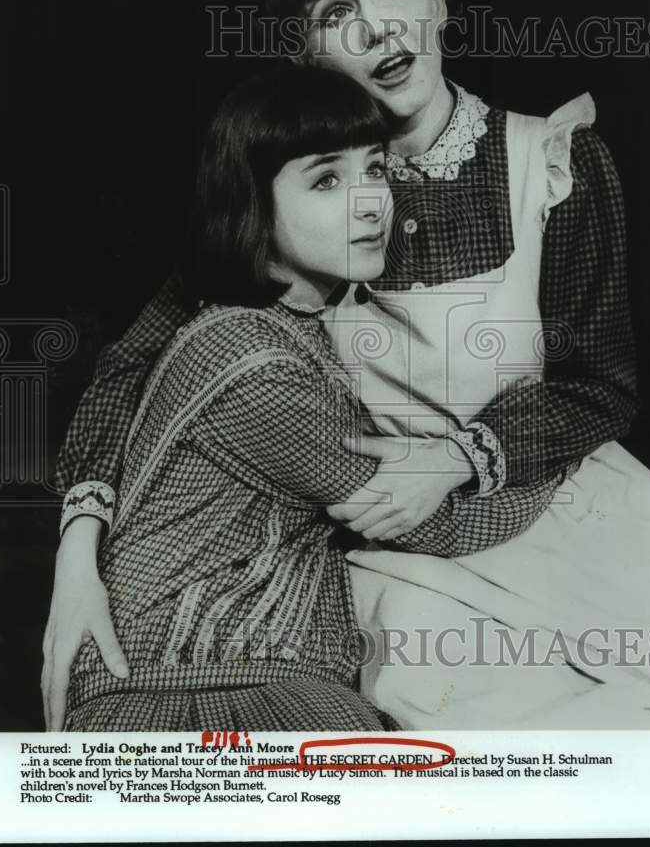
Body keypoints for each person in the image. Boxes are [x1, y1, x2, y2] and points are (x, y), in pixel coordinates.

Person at [44, 0, 650, 731]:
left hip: (550, 499)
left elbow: (602, 385)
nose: (378, 28)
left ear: (439, 2)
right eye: (338, 12)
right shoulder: (287, 202)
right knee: (483, 727)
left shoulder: (550, 159)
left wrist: (457, 456)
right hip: (398, 551)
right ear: (307, 53)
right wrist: (79, 556)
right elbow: (135, 367)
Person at [59, 65, 560, 732]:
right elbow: (433, 523)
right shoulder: (248, 359)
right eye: (326, 179)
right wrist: (558, 445)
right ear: (251, 206)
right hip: (190, 698)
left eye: (376, 170)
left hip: (243, 682)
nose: (369, 203)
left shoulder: (286, 329)